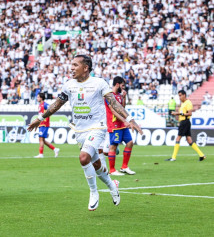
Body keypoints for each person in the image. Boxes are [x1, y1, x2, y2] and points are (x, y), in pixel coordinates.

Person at [28, 55, 143, 211]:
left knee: (83, 158)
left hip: (97, 127)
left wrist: (131, 119)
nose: (72, 68)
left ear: (86, 67)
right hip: (80, 129)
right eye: (71, 65)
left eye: (75, 65)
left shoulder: (99, 83)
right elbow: (57, 104)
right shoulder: (69, 85)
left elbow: (113, 102)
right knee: (96, 164)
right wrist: (40, 118)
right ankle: (112, 186)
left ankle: (94, 192)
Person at [105, 76, 136, 176]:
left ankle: (124, 167)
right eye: (122, 86)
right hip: (114, 124)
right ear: (117, 84)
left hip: (122, 124)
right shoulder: (109, 96)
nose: (123, 88)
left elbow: (122, 108)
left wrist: (124, 97)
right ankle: (112, 170)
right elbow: (114, 111)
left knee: (130, 142)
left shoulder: (118, 95)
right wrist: (125, 120)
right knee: (113, 146)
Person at [165, 90, 206, 162]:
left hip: (185, 122)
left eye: (180, 95)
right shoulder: (183, 103)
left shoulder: (188, 103)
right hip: (184, 122)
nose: (179, 97)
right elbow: (182, 113)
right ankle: (202, 155)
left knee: (178, 138)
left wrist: (179, 114)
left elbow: (190, 113)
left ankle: (173, 157)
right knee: (189, 140)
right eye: (179, 96)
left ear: (184, 95)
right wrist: (176, 114)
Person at [34, 93, 60, 158]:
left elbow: (51, 110)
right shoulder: (40, 105)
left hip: (44, 124)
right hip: (41, 124)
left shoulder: (45, 105)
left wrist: (46, 118)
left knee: (40, 139)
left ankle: (41, 154)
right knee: (43, 140)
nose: (37, 98)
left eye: (38, 97)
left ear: (41, 98)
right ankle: (55, 149)